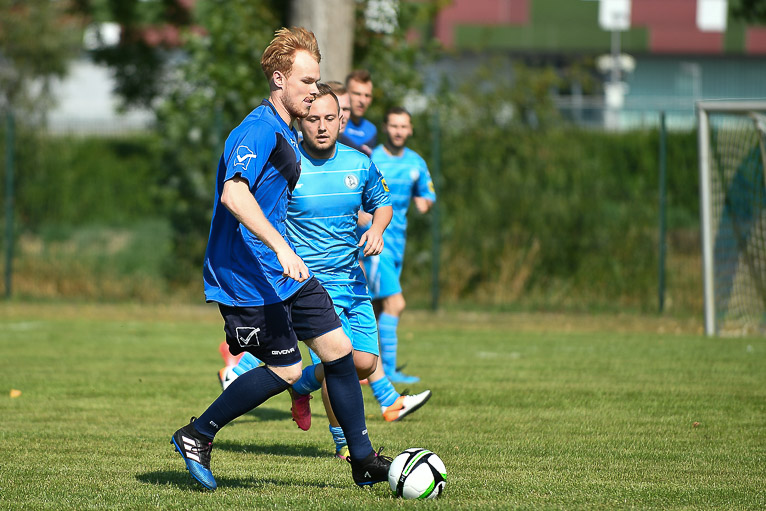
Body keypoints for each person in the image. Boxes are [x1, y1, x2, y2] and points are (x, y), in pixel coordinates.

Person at [170, 27, 391, 491]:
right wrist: (282, 245)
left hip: (284, 272)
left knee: (339, 351)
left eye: (316, 80)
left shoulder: (287, 131)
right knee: (288, 370)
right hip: (248, 277)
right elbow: (234, 195)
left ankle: (363, 460)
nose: (314, 90)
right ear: (278, 80)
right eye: (306, 81)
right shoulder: (258, 129)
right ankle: (198, 434)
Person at [219, 84, 432, 459]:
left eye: (330, 118)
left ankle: (300, 385)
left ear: (341, 121)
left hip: (354, 282)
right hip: (311, 286)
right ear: (301, 121)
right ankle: (345, 445)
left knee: (364, 363)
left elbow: (382, 204)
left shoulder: (359, 162)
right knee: (339, 362)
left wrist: (377, 229)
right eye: (314, 118)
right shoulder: (287, 166)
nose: (321, 126)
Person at [363, 107, 436, 384]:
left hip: (398, 245)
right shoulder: (372, 158)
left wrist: (424, 201)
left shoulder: (416, 162)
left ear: (411, 129)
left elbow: (427, 196)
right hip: (375, 244)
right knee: (396, 303)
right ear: (385, 128)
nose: (398, 131)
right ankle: (389, 372)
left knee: (377, 308)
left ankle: (366, 368)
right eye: (394, 126)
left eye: (403, 126)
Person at [339, 69, 376, 155]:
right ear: (346, 94)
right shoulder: (334, 125)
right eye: (357, 94)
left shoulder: (371, 130)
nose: (362, 101)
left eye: (367, 95)